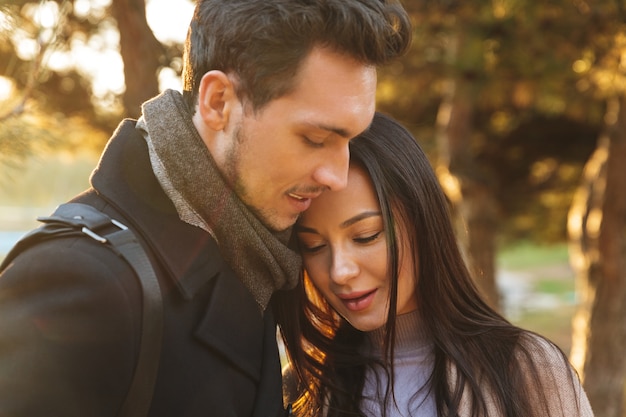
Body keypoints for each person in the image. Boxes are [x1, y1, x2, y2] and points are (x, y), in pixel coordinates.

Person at [0, 1, 412, 416]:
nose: (336, 176)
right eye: (315, 139)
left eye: (350, 141)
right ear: (218, 102)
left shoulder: (257, 260)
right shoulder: (79, 280)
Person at [275, 112, 594, 417]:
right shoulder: (305, 386)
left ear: (422, 223)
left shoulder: (527, 370)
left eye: (365, 236)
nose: (340, 271)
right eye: (314, 246)